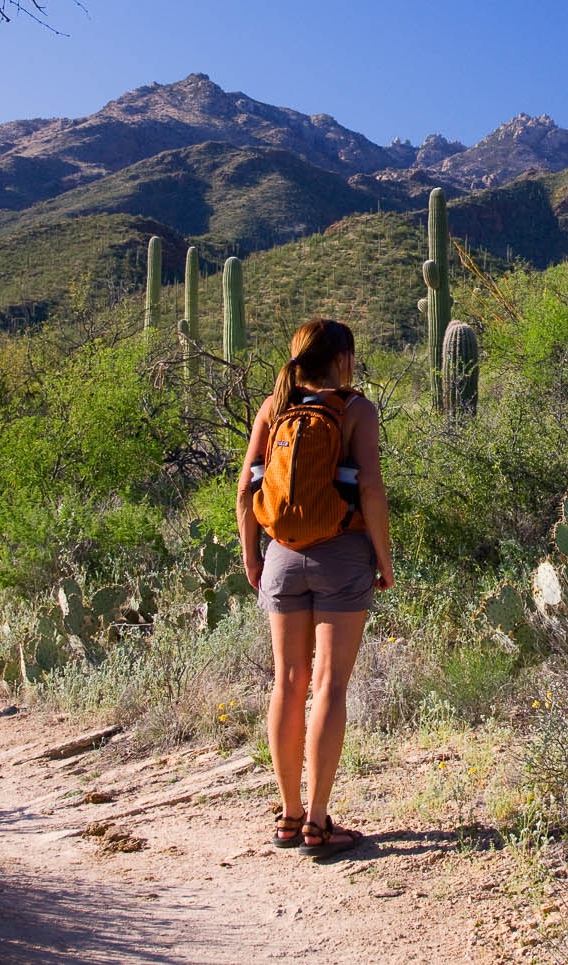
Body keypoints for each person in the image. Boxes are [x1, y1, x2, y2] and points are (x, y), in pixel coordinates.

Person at [236, 318, 392, 859]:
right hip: (342, 555)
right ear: (343, 359)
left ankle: (288, 817)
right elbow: (369, 488)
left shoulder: (274, 407)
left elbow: (246, 487)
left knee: (288, 682)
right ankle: (319, 824)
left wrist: (253, 556)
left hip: (281, 555)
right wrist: (384, 558)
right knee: (328, 685)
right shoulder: (354, 409)